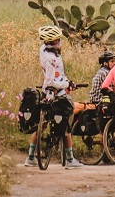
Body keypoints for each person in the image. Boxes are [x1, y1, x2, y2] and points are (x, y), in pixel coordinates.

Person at [31, 25, 84, 168]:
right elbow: (50, 80)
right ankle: (70, 158)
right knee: (67, 121)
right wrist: (66, 84)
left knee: (41, 125)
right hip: (56, 93)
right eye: (59, 40)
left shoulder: (43, 50)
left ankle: (30, 156)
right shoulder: (51, 59)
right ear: (55, 41)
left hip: (45, 93)